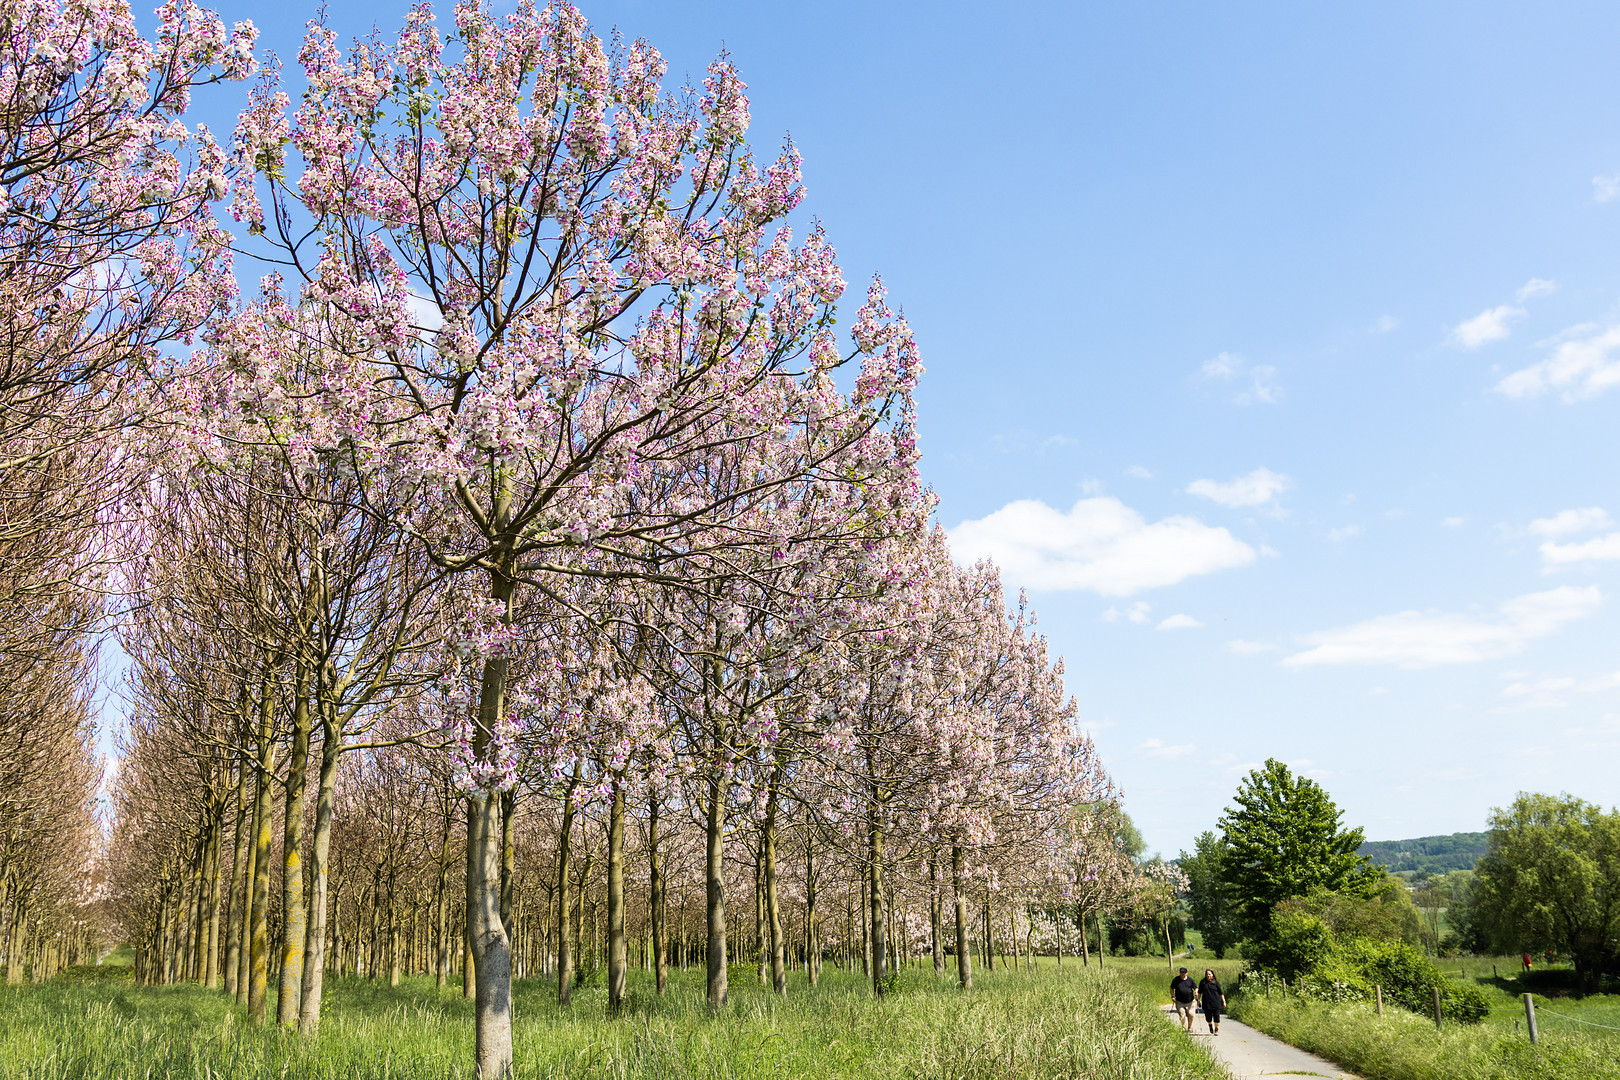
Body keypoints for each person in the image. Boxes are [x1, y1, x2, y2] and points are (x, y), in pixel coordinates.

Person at [1198, 968, 1227, 1035]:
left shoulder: (1216, 983)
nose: (1208, 975)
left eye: (1209, 974)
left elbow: (1221, 993)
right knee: (1208, 1017)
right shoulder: (1203, 982)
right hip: (1206, 1003)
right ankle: (1210, 1026)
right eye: (1207, 974)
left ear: (1212, 975)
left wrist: (1224, 1001)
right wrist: (1198, 1000)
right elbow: (1199, 992)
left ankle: (1216, 1029)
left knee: (1216, 1016)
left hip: (1216, 1002)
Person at [1170, 966, 1197, 1032]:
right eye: (1181, 972)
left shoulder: (1190, 980)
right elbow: (1171, 988)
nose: (1182, 974)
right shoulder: (1176, 980)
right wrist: (1172, 996)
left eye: (1184, 973)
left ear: (1186, 973)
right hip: (1179, 1001)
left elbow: (1195, 987)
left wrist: (1196, 992)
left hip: (1190, 1001)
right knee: (1182, 1015)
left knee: (1191, 1015)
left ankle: (1190, 1027)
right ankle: (1183, 1027)